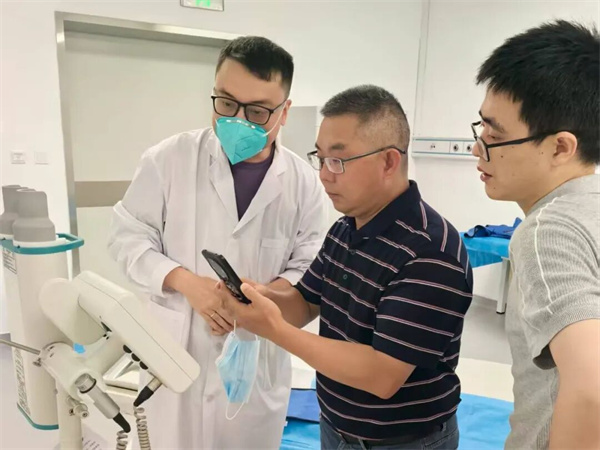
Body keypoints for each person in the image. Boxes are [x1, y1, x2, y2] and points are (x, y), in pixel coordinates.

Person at [220, 85, 473, 449]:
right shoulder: (346, 228)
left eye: (338, 161)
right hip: (335, 426)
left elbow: (382, 375)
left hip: (401, 441)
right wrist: (261, 298)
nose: (324, 175)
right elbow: (305, 302)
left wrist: (273, 328)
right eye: (320, 158)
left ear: (389, 162)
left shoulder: (431, 252)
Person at [107, 36, 327, 449]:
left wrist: (268, 295)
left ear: (284, 112)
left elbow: (310, 266)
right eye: (226, 103)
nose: (237, 120)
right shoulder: (168, 159)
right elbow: (127, 237)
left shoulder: (303, 183)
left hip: (254, 360)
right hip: (175, 349)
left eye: (257, 111)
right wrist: (187, 283)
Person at [471, 20, 600, 449]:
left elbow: (592, 391)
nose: (477, 148)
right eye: (481, 128)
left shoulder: (547, 232)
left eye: (495, 135)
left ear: (560, 147)